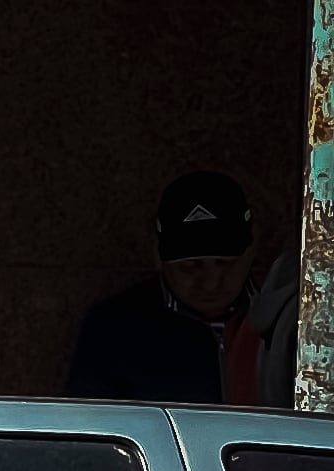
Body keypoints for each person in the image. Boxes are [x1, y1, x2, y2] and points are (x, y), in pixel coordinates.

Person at [66, 171, 291, 406]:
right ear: (157, 257)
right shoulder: (114, 328)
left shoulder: (285, 321)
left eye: (226, 264)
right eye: (190, 267)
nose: (211, 282)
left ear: (252, 249)